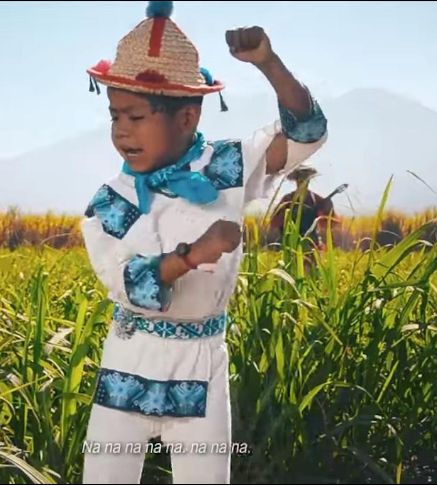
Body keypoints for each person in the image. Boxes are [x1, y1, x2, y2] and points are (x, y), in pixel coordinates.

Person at [80, 2, 327, 482]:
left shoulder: (225, 167)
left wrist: (268, 64)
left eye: (135, 116)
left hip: (201, 361)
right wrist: (191, 256)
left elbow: (306, 132)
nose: (121, 131)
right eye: (114, 116)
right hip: (130, 356)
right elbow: (122, 280)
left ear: (188, 118)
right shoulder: (112, 200)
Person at [267, 166, 337, 251]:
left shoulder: (316, 199)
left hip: (311, 244)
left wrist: (329, 209)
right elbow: (274, 222)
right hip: (290, 244)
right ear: (296, 180)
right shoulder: (288, 199)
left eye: (305, 179)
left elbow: (330, 224)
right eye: (300, 178)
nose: (302, 182)